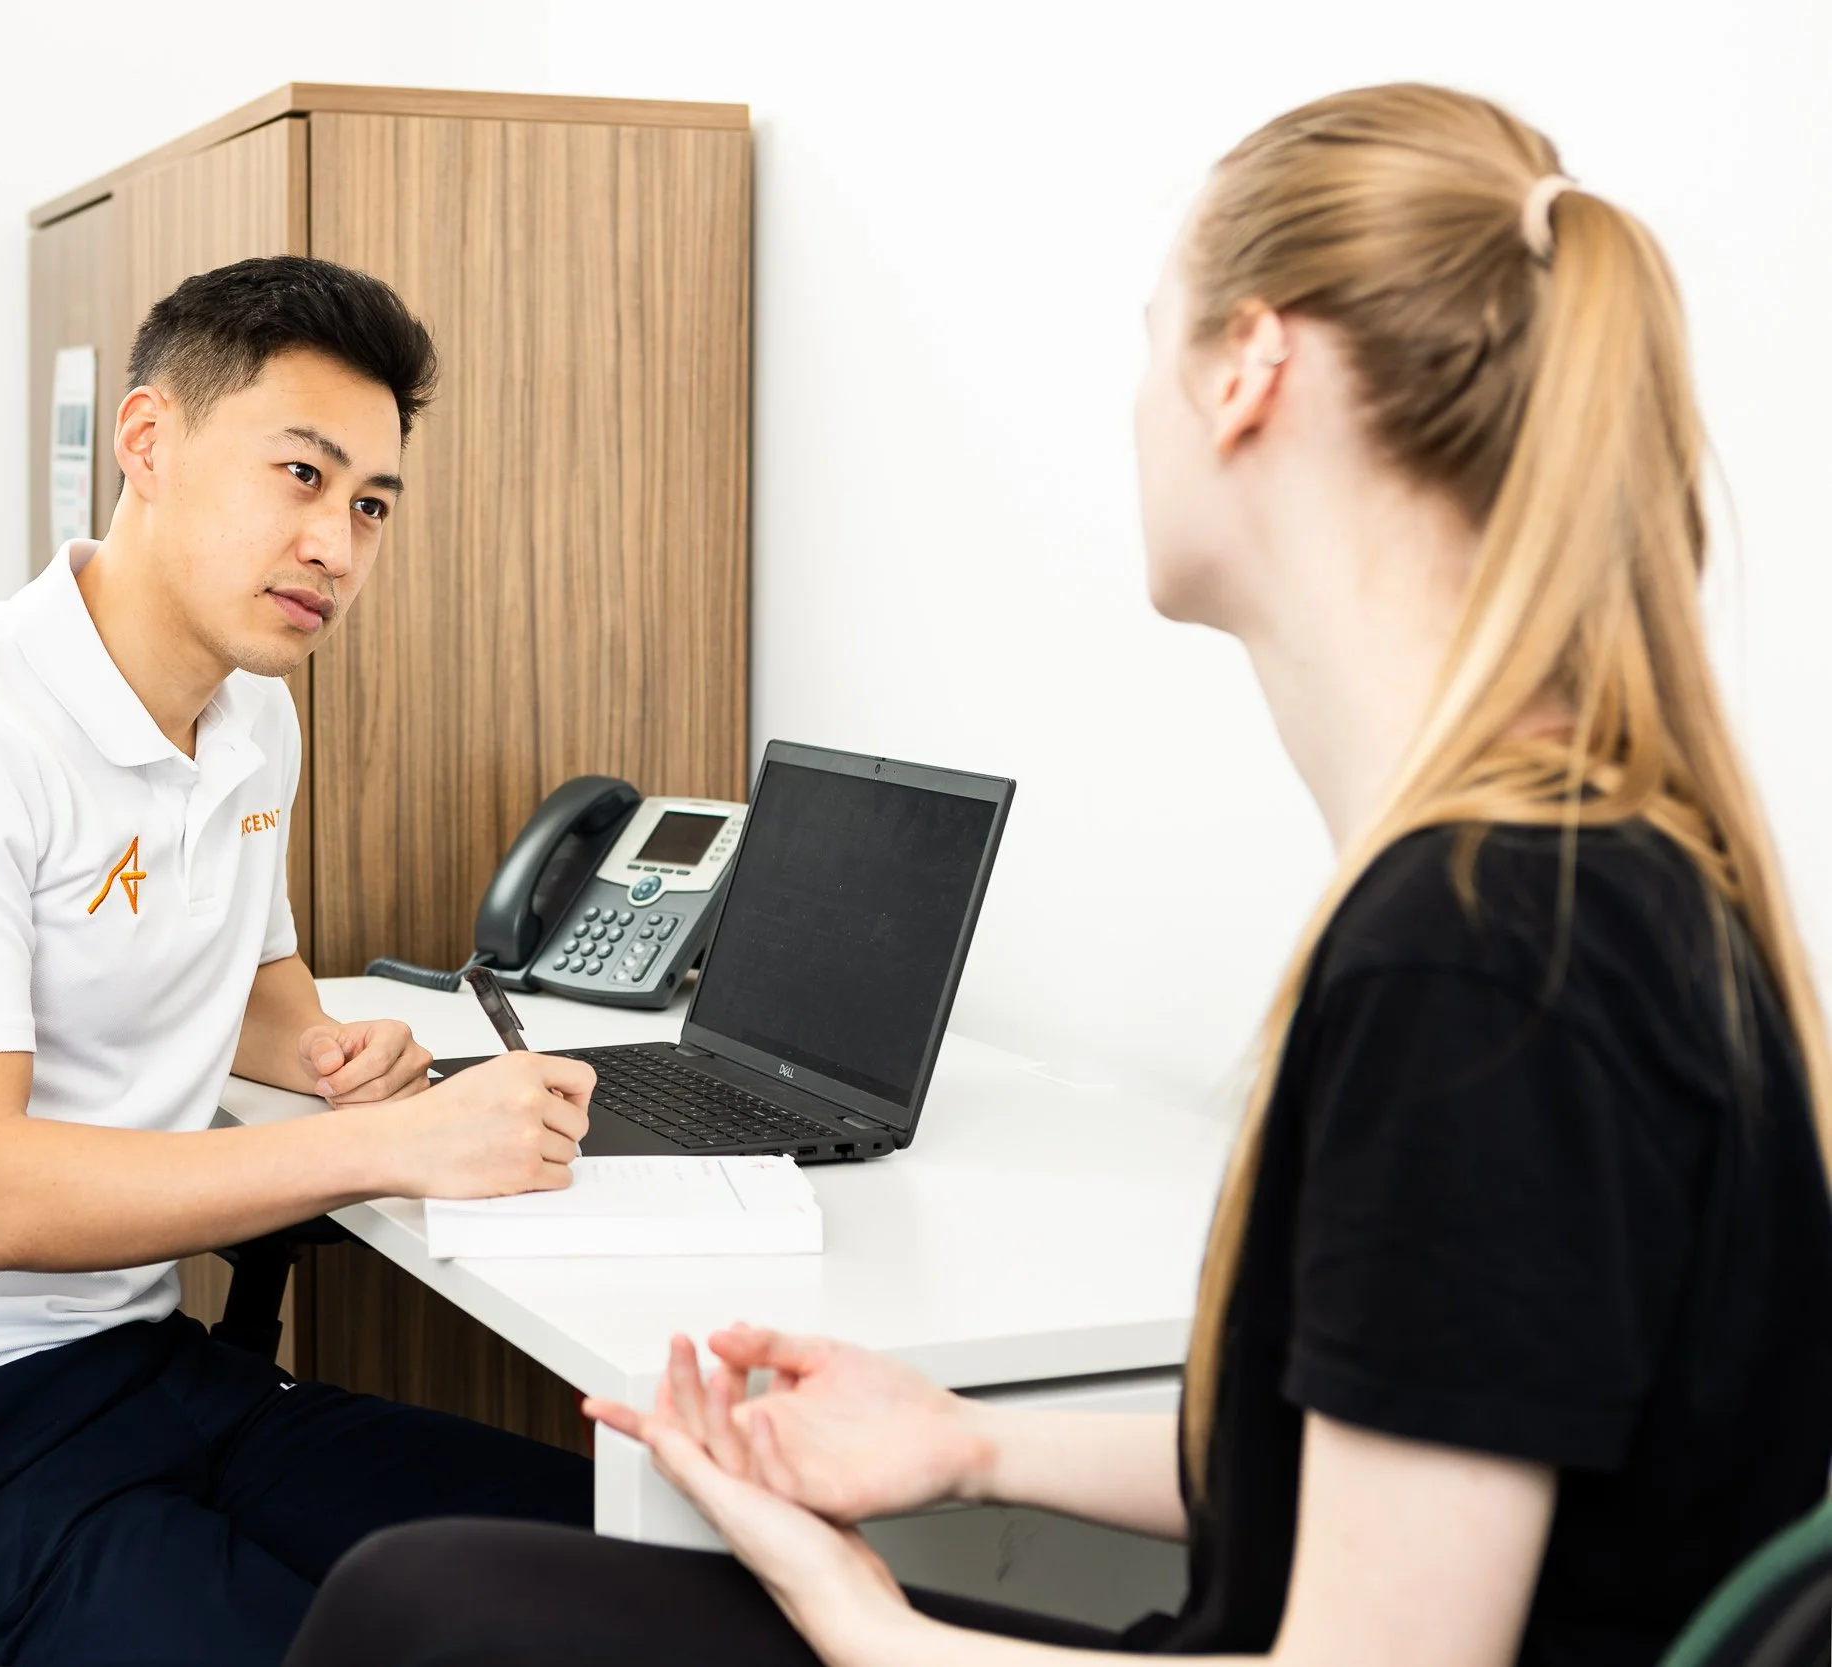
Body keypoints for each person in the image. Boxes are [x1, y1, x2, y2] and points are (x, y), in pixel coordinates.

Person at [283, 83, 1832, 1667]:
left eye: (1154, 341)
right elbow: (1381, 1474)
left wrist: (871, 1623)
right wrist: (969, 1441)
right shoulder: (1587, 875)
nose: (1137, 408)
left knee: (417, 1611)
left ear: (1249, 369)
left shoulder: (1474, 956)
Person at [0, 256, 599, 1664]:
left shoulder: (254, 719)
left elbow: (250, 979)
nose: (338, 545)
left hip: (151, 1369)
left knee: (626, 1568)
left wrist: (326, 1049)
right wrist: (389, 1146)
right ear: (146, 442)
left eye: (371, 504)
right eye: (302, 475)